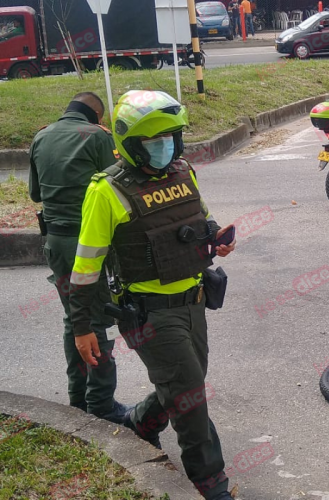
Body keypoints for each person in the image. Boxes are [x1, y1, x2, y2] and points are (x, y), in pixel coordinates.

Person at [69, 90, 236, 500]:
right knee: (191, 402)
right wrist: (83, 327)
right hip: (150, 316)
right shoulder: (106, 191)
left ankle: (141, 424)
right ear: (129, 144)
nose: (166, 147)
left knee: (184, 384)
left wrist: (216, 237)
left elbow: (201, 216)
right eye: (154, 140)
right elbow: (86, 266)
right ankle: (212, 485)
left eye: (171, 138)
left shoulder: (183, 172)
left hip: (194, 302)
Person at [28, 92, 130, 424]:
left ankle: (78, 398)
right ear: (97, 116)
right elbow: (118, 185)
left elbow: (35, 194)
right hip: (88, 243)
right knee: (94, 320)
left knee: (75, 319)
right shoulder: (99, 137)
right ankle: (101, 404)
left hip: (55, 243)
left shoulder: (41, 136)